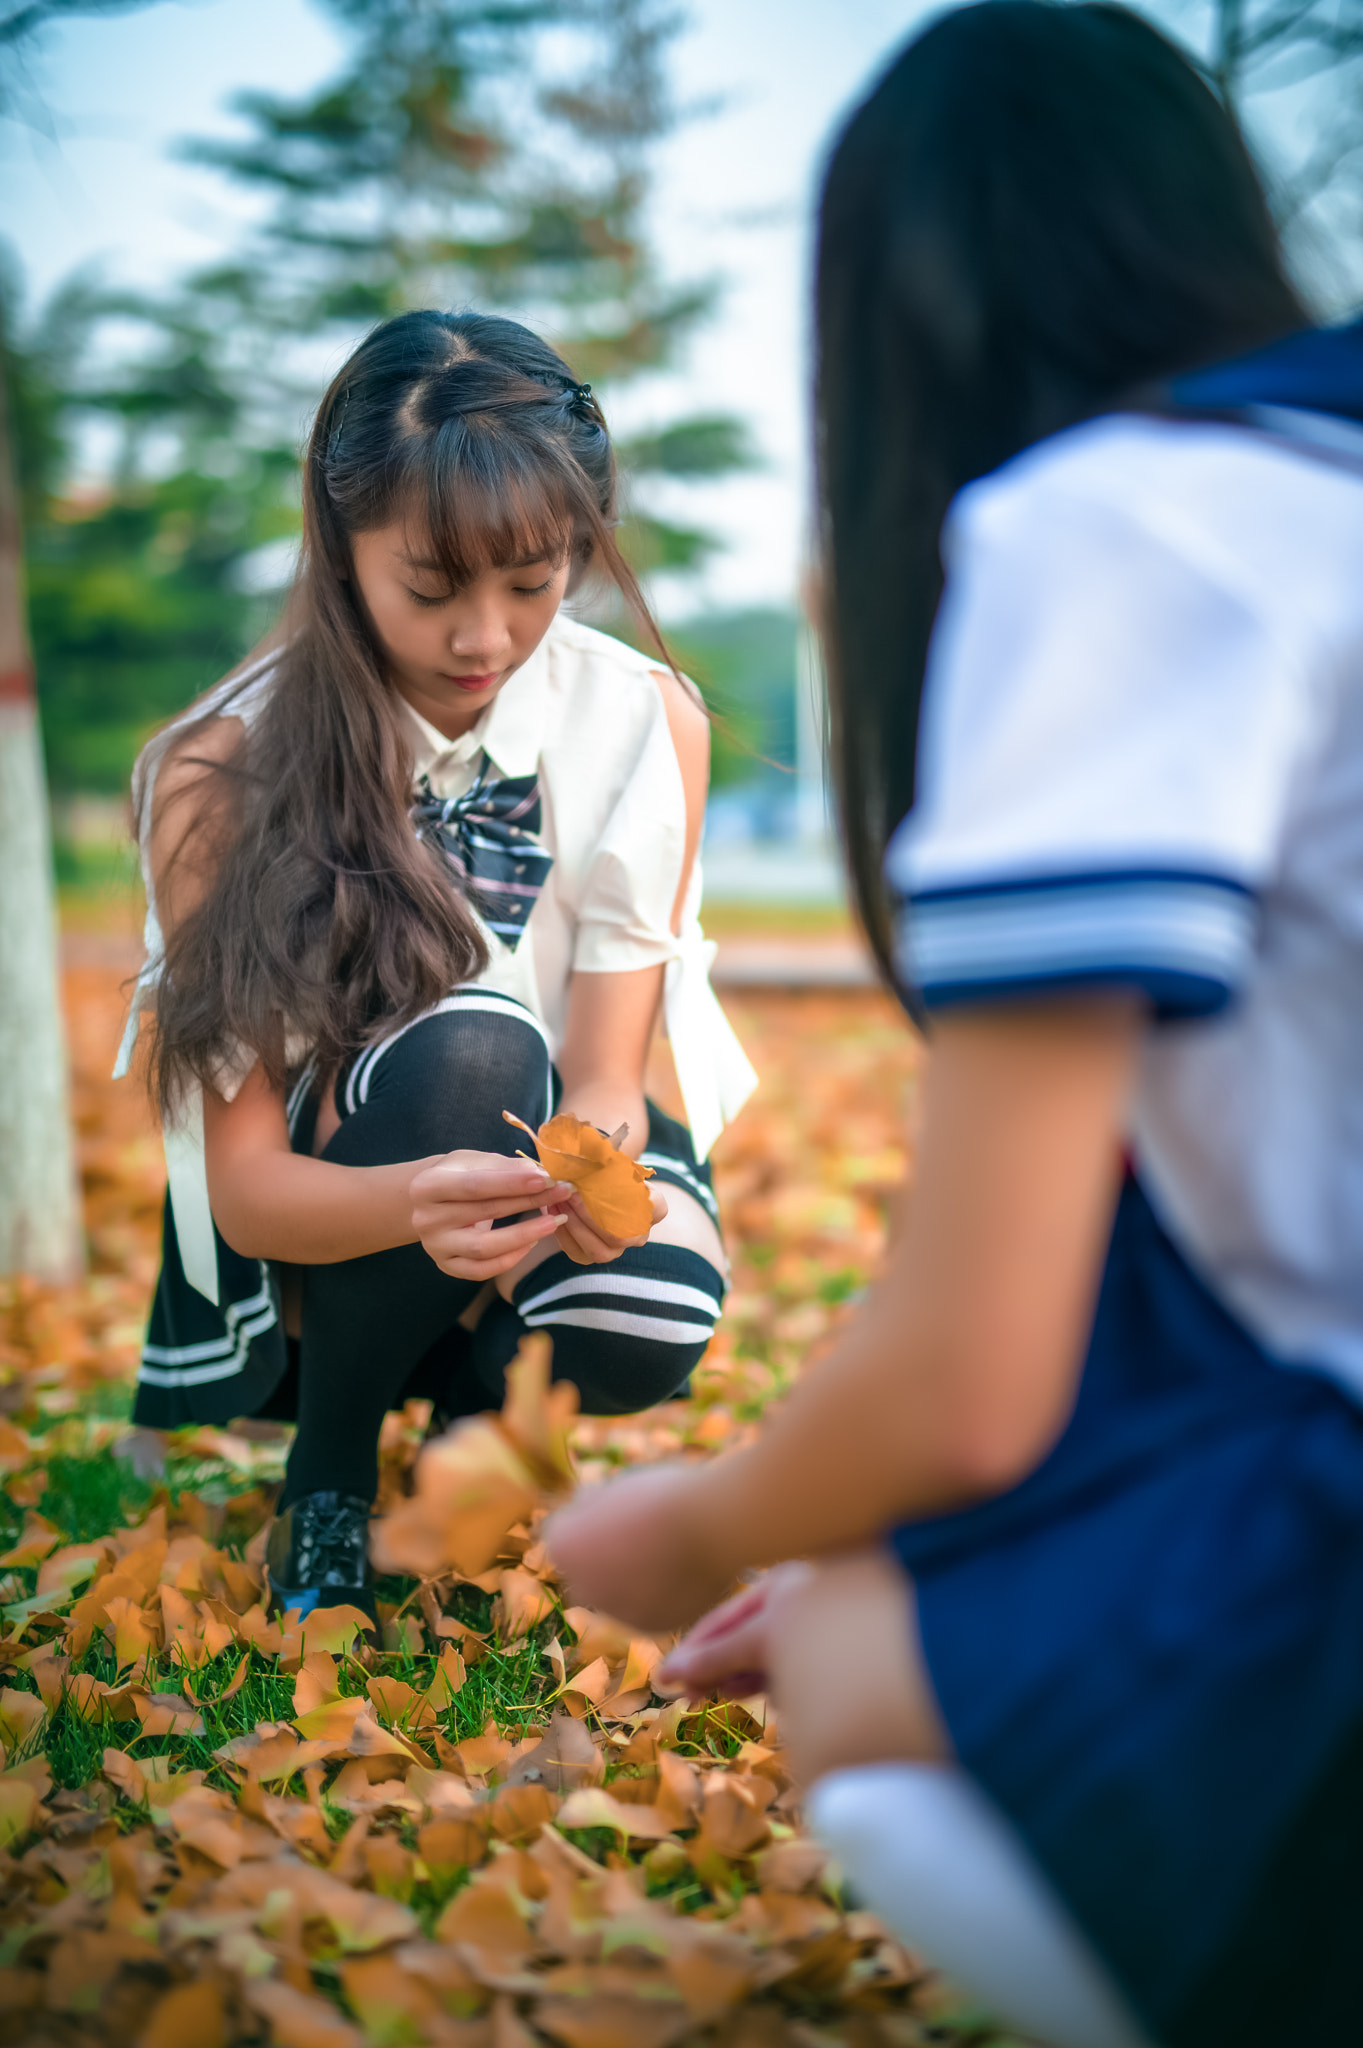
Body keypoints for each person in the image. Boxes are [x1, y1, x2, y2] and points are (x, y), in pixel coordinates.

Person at [545, 8, 1363, 2045]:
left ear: (887, 331)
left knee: (850, 1671)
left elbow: (971, 1381)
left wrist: (699, 1518)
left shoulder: (1118, 520)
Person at [115, 309, 755, 1621]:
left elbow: (609, 1071)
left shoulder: (645, 717)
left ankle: (462, 1460)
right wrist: (420, 1197)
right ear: (340, 546)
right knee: (476, 1043)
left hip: (533, 1147)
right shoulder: (217, 776)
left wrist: (575, 1168)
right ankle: (331, 1472)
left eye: (534, 582)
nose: (487, 639)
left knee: (654, 1301)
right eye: (432, 587)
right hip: (326, 1209)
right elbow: (244, 1191)